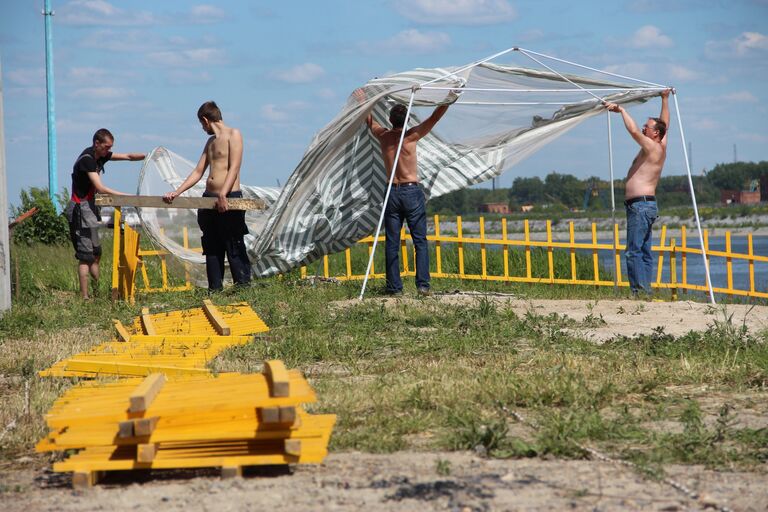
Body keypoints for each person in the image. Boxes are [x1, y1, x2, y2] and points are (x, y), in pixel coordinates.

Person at [162, 101, 251, 291]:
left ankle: (243, 288)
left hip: (229, 198)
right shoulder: (210, 142)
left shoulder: (234, 134)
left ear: (206, 120)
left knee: (233, 244)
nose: (203, 129)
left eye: (202, 125)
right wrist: (177, 192)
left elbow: (234, 167)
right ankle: (215, 289)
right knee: (212, 246)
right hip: (208, 199)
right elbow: (198, 171)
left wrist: (223, 194)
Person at [366, 101, 450, 296]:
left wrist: (365, 102)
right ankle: (422, 286)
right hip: (411, 190)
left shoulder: (384, 136)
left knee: (392, 242)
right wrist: (448, 100)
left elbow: (370, 122)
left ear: (390, 119)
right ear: (408, 120)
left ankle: (394, 288)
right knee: (419, 240)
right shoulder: (411, 136)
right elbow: (434, 118)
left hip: (391, 191)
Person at [65, 128, 145, 299]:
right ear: (97, 144)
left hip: (91, 210)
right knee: (85, 256)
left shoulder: (100, 155)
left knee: (96, 253)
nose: (109, 151)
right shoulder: (87, 160)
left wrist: (148, 156)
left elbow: (128, 156)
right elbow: (100, 188)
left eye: (110, 147)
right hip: (80, 210)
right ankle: (85, 297)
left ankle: (96, 291)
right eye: (107, 147)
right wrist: (129, 197)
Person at [606, 89, 672, 296]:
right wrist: (664, 99)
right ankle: (645, 290)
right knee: (643, 251)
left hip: (641, 205)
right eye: (645, 125)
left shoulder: (652, 147)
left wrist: (622, 110)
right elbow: (665, 123)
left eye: (648, 127)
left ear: (655, 134)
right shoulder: (659, 144)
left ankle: (639, 290)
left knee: (634, 251)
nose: (644, 128)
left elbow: (633, 131)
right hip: (644, 205)